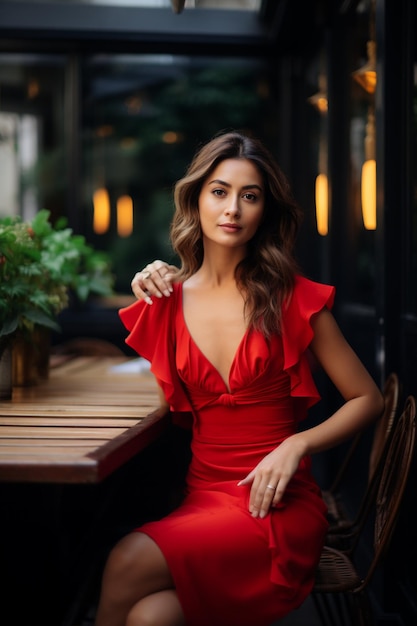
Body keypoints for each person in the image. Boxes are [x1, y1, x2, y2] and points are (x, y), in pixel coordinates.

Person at [95, 131, 384, 626]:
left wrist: (296, 446)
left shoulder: (293, 297)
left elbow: (368, 399)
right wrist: (153, 279)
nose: (233, 209)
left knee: (126, 559)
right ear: (196, 200)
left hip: (277, 504)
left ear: (265, 210)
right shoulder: (165, 300)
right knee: (150, 617)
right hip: (204, 495)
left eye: (249, 196)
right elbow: (166, 397)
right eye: (219, 191)